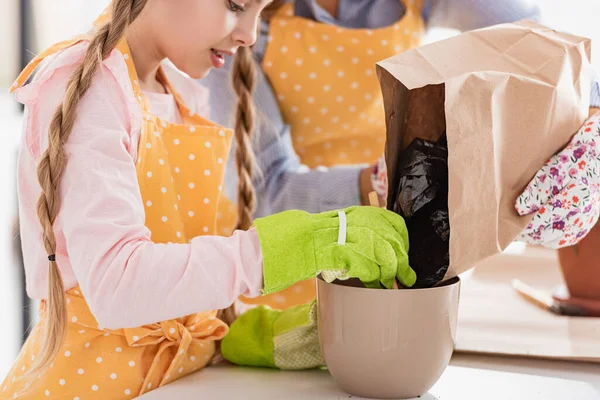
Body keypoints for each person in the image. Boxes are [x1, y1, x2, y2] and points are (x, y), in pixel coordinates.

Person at [0, 1, 415, 398]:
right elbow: (117, 284)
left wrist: (250, 334)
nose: (249, 36)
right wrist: (283, 249)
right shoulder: (90, 86)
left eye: (260, 11)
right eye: (236, 5)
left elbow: (181, 269)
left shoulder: (179, 88)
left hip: (174, 380)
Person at [198, 0, 600, 309]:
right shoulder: (235, 17)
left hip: (400, 270)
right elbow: (264, 191)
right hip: (284, 278)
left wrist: (591, 125)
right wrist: (380, 182)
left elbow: (540, 50)